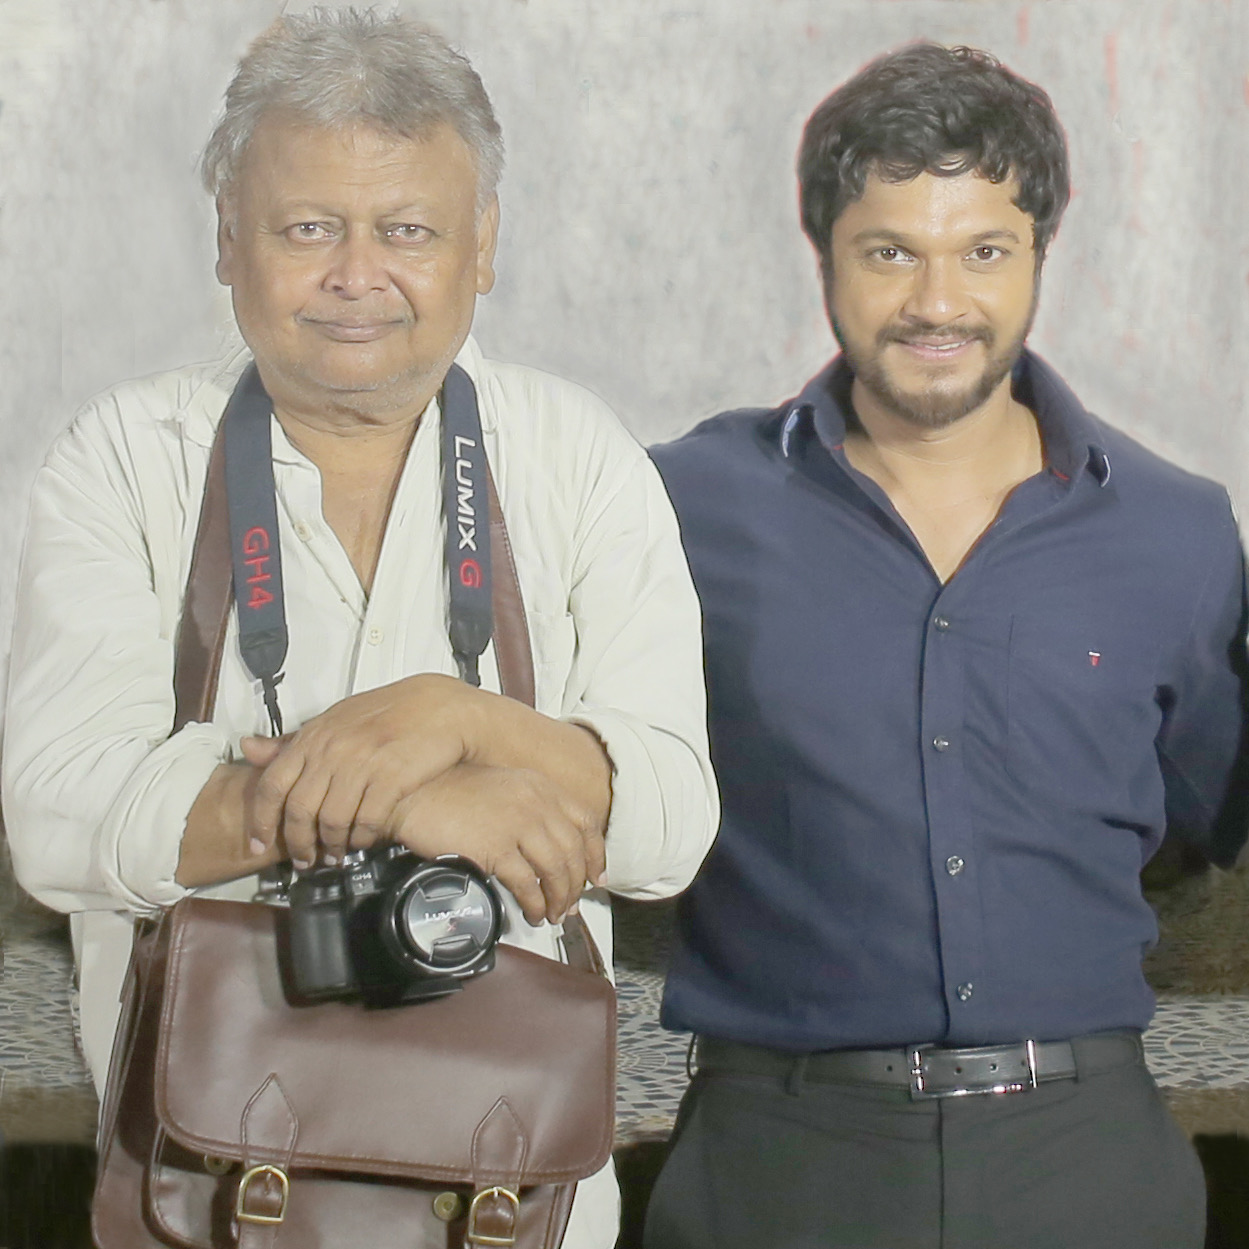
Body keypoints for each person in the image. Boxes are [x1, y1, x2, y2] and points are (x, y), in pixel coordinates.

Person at [2, 11, 717, 1248]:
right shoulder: (126, 458)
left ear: (481, 245)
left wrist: (458, 722)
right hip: (201, 1189)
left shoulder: (577, 456)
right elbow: (59, 819)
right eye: (307, 229)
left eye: (407, 231)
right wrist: (418, 802)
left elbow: (669, 823)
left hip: (517, 1198)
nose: (356, 274)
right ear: (227, 240)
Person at [644, 42, 1249, 1249]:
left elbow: (1213, 833)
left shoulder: (1178, 532)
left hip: (1090, 1163)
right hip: (775, 1162)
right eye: (889, 253)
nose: (936, 303)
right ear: (823, 257)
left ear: (1038, 256)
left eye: (982, 251)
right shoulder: (674, 507)